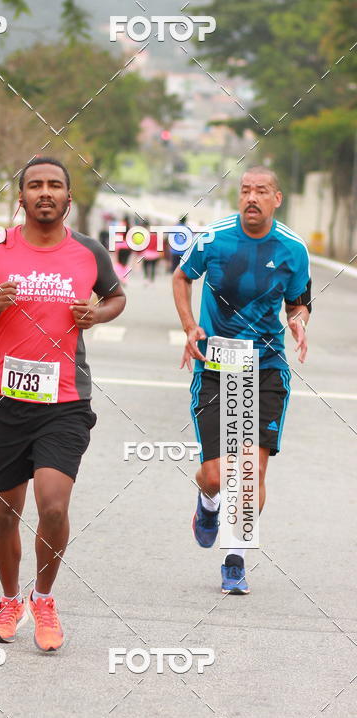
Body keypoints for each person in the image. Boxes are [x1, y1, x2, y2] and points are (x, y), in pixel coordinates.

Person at [0, 157, 126, 652]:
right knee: (4, 512)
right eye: (35, 185)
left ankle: (44, 598)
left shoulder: (88, 252)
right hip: (5, 399)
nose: (45, 192)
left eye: (55, 185)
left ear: (68, 199)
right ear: (22, 197)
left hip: (66, 399)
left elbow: (117, 297)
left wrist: (96, 312)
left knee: (52, 505)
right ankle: (10, 599)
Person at [173, 166, 311, 594]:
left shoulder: (292, 248)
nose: (252, 198)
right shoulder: (213, 238)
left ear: (277, 198)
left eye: (261, 191)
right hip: (215, 368)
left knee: (250, 471)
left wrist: (300, 322)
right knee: (216, 476)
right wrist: (189, 325)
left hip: (266, 369)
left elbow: (299, 301)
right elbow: (181, 277)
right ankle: (208, 502)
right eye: (245, 191)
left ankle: (236, 557)